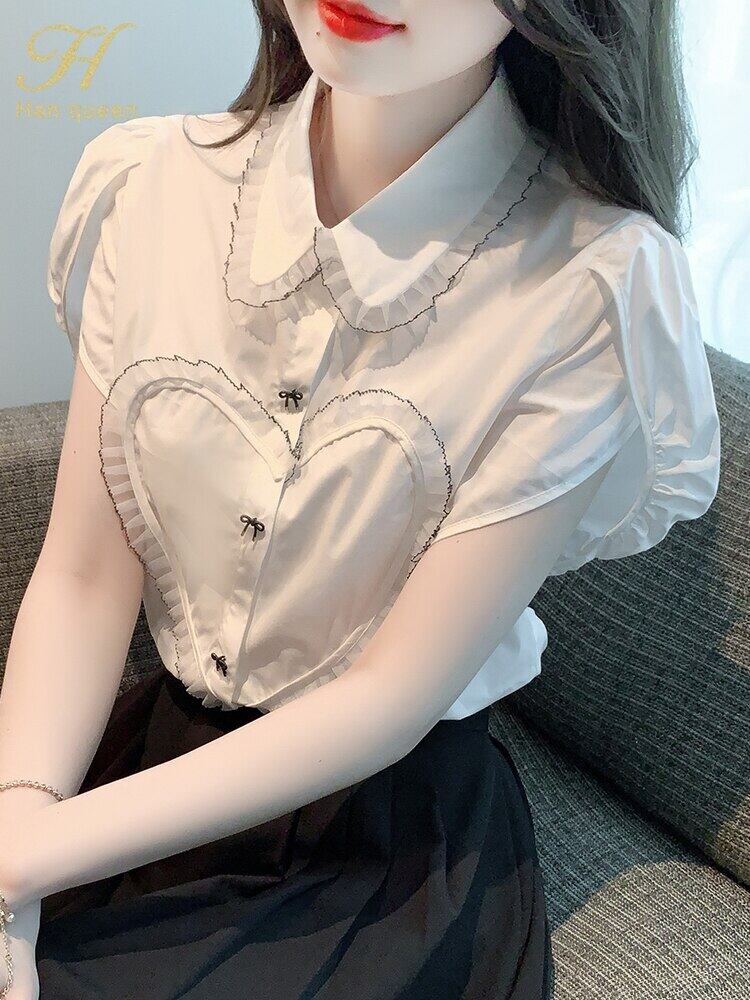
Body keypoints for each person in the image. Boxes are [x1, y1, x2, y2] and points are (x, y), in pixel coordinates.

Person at [0, 1, 720, 997]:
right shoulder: (152, 186)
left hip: (383, 856)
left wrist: (29, 858)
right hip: (140, 780)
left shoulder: (590, 288)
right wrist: (21, 829)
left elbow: (388, 697)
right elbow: (83, 576)